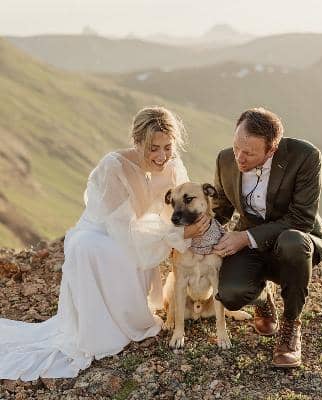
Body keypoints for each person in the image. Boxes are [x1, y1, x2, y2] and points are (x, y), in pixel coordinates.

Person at [0, 106, 210, 380]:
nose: (162, 156)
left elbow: (183, 207)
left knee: (134, 252)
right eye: (153, 148)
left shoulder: (173, 167)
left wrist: (190, 228)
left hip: (143, 234)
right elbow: (125, 230)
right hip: (103, 232)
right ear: (137, 143)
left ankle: (130, 314)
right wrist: (177, 235)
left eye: (167, 147)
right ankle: (106, 326)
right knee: (96, 249)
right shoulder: (113, 167)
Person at [212, 107, 322, 368]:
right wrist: (192, 230)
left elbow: (301, 218)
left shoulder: (305, 156)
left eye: (249, 153)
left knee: (292, 242)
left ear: (272, 150)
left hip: (297, 238)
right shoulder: (225, 159)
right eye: (237, 147)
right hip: (252, 239)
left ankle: (290, 325)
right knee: (230, 294)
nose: (239, 157)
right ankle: (263, 297)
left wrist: (245, 238)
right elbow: (220, 211)